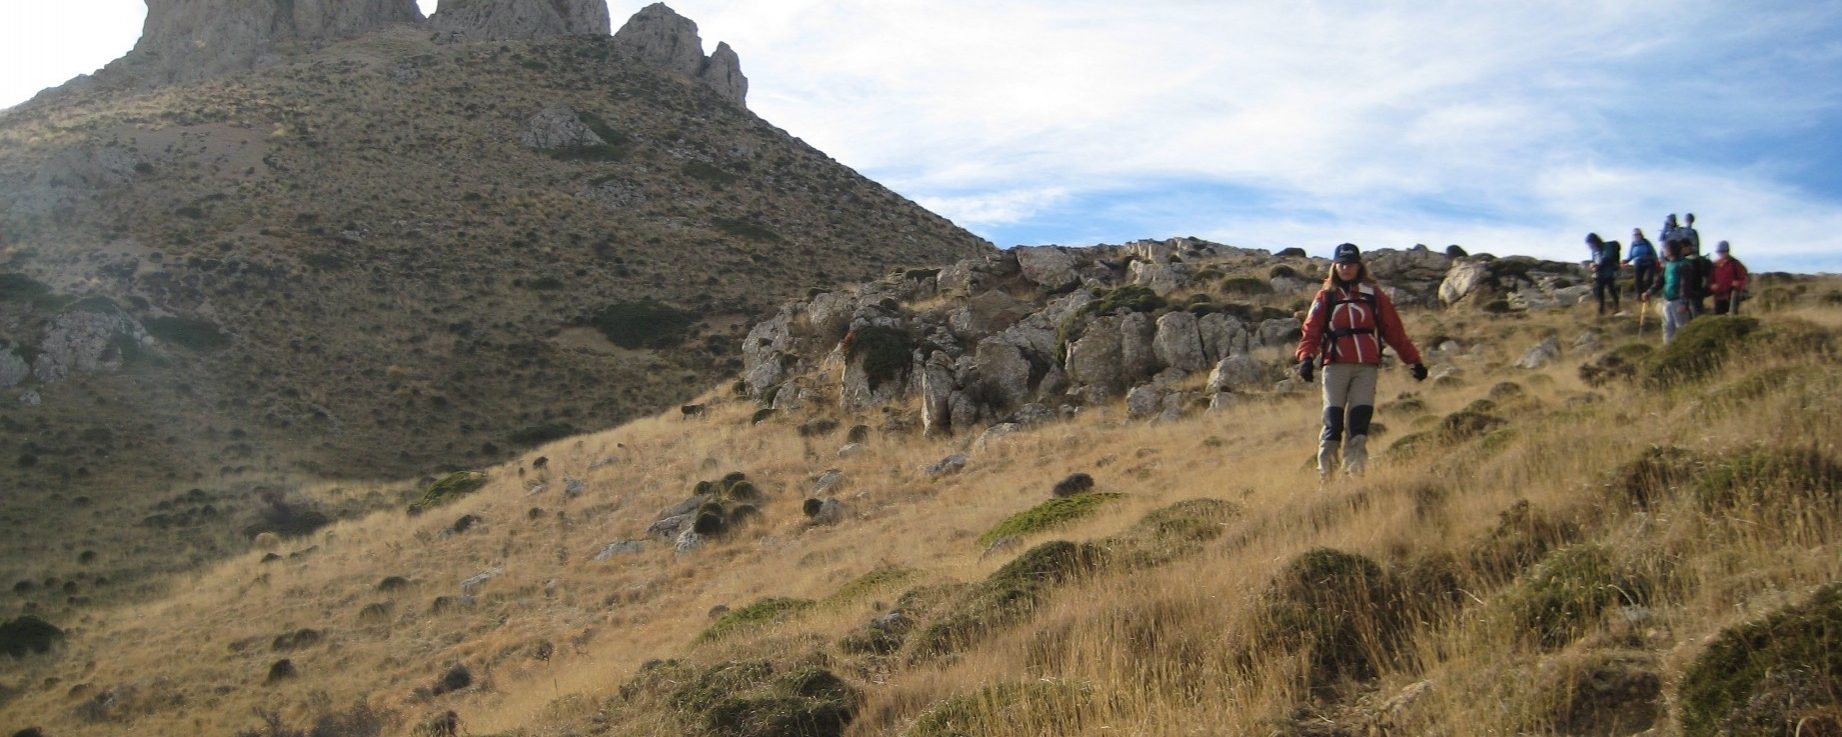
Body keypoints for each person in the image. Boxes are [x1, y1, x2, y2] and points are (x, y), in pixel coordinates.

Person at [1295, 243, 1427, 481]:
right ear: (1335, 266)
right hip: (1335, 366)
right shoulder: (1326, 295)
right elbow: (1311, 330)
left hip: (1366, 367)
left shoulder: (1373, 295)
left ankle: (1354, 476)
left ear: (1359, 266)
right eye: (1341, 264)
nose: (1346, 268)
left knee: (1359, 423)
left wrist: (1413, 361)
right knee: (1333, 423)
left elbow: (1394, 331)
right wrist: (1306, 358)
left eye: (1351, 264)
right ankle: (1326, 478)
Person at [1650, 240, 1694, 344]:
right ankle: (1668, 349)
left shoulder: (1684, 265)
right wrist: (1650, 292)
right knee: (1667, 328)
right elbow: (1660, 281)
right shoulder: (1667, 265)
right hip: (1666, 301)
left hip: (1678, 302)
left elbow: (1685, 285)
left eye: (1665, 248)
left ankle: (1685, 349)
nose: (1663, 251)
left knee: (1682, 329)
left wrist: (1683, 303)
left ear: (1671, 250)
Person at [1586, 232, 1622, 316]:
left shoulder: (1607, 246)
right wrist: (1592, 266)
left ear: (1595, 241)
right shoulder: (1593, 251)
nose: (1589, 246)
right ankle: (1601, 312)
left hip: (1608, 273)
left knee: (1611, 290)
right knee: (1600, 292)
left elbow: (1606, 259)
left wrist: (1597, 267)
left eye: (1590, 244)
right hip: (1599, 275)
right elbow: (1594, 261)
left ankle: (1616, 308)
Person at [1710, 240, 1749, 315]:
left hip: (1732, 296)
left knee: (1732, 317)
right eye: (1719, 252)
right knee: (1719, 318)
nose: (1721, 254)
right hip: (1718, 297)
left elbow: (1744, 278)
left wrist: (1738, 283)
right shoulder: (1715, 264)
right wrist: (1712, 286)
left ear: (1727, 251)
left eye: (1723, 251)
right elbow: (1710, 279)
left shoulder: (1735, 263)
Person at [1626, 228, 1658, 298]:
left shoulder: (1646, 242)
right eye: (1635, 235)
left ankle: (1648, 294)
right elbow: (1630, 255)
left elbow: (1653, 252)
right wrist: (1626, 261)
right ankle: (1639, 296)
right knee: (1638, 280)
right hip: (1638, 263)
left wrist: (1656, 260)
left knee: (1649, 279)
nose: (1636, 236)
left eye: (1638, 234)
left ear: (1641, 235)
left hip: (1648, 261)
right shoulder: (1633, 244)